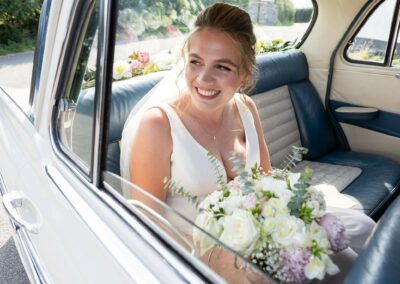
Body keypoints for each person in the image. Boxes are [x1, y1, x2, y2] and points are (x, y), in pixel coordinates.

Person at [120, 3, 375, 283]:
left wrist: (285, 221)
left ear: (244, 74)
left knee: (361, 230)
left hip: (259, 235)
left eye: (222, 66)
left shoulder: (246, 107)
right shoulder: (158, 124)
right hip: (193, 249)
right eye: (195, 62)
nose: (204, 78)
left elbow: (266, 179)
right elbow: (146, 221)